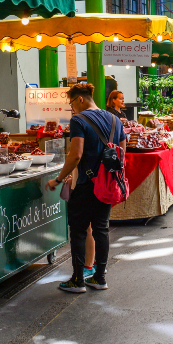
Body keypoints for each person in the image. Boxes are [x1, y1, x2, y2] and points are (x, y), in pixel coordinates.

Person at [46, 82, 126, 293]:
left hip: (85, 185)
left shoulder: (78, 120)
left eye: (71, 103)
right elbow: (122, 154)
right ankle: (99, 278)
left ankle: (77, 280)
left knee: (79, 231)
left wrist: (58, 178)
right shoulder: (115, 120)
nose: (71, 108)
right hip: (106, 184)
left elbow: (76, 155)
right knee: (101, 229)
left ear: (80, 99)